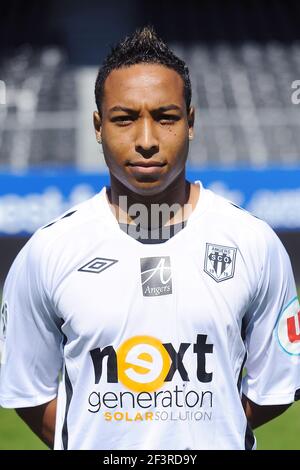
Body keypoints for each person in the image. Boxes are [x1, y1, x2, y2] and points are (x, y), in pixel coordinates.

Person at [0, 26, 299, 451]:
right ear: (98, 126)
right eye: (124, 119)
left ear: (190, 122)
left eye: (165, 117)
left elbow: (275, 387)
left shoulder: (254, 243)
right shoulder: (48, 251)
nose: (145, 140)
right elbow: (28, 392)